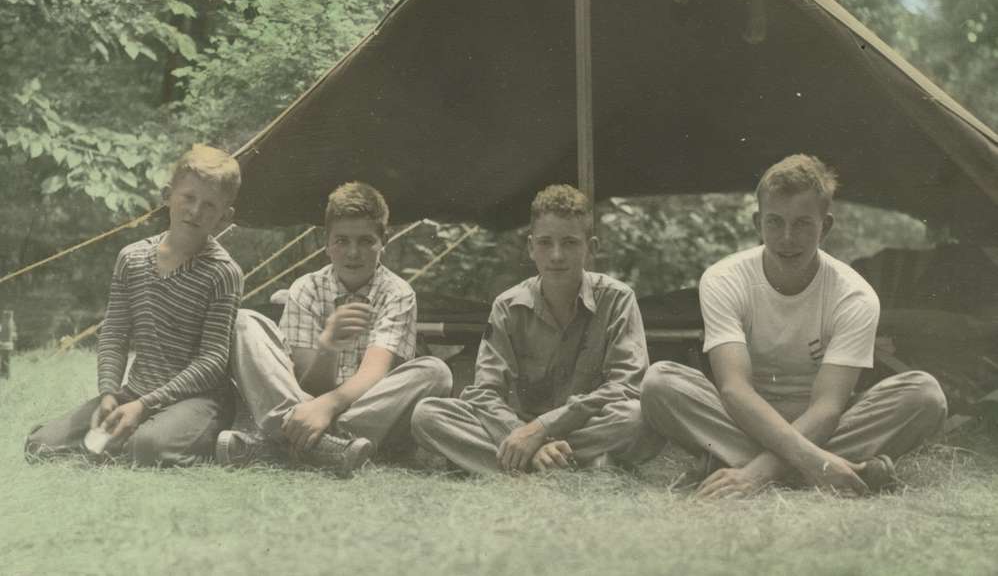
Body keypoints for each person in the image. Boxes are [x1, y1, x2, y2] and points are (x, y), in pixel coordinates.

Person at [641, 154, 948, 497]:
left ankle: (732, 465)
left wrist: (756, 474)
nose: (787, 237)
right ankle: (837, 470)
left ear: (826, 226)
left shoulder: (854, 295)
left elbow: (829, 407)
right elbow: (734, 390)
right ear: (758, 222)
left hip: (827, 427)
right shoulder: (723, 278)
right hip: (743, 422)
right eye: (775, 222)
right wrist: (816, 461)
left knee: (925, 395)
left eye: (802, 223)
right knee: (660, 383)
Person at [411, 185, 661, 474]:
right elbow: (485, 393)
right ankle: (569, 464)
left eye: (569, 243)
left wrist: (544, 428)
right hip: (521, 426)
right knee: (428, 414)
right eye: (545, 243)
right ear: (531, 247)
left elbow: (627, 386)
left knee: (639, 417)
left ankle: (518, 463)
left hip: (584, 423)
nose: (556, 255)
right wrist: (522, 433)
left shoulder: (617, 298)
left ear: (591, 247)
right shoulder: (508, 305)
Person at [25, 145, 244, 466]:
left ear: (225, 216)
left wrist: (144, 407)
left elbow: (212, 360)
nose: (195, 211)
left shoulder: (223, 272)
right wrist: (109, 394)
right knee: (39, 445)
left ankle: (221, 440)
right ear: (167, 196)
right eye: (188, 197)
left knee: (146, 448)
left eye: (209, 205)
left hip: (199, 399)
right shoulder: (132, 258)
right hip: (136, 391)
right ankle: (119, 435)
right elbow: (114, 334)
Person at [218, 182, 451, 473]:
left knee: (435, 372)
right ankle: (330, 447)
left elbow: (375, 373)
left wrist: (326, 408)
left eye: (366, 241)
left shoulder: (397, 293)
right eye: (342, 241)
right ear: (326, 243)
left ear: (384, 241)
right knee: (243, 322)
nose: (353, 252)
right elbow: (305, 385)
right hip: (307, 405)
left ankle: (281, 445)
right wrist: (328, 347)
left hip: (364, 408)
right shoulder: (307, 288)